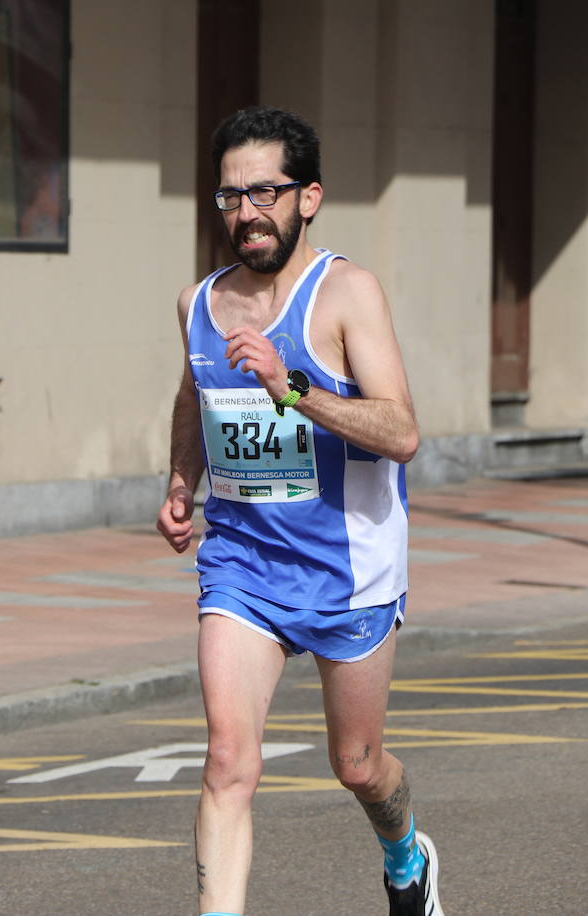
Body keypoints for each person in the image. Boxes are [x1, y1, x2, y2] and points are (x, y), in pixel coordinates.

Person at [156, 105, 441, 916]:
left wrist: (294, 387)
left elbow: (403, 431)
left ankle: (405, 853)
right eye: (230, 197)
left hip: (348, 566)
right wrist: (182, 482)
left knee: (357, 764)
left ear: (308, 197)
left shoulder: (347, 293)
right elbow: (193, 394)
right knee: (227, 761)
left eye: (265, 194)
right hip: (242, 562)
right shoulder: (198, 304)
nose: (246, 214)